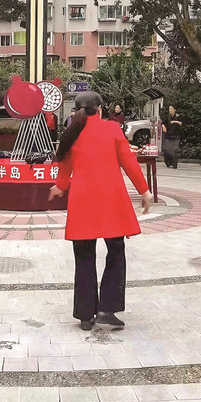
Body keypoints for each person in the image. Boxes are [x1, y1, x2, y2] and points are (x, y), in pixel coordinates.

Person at [50, 92, 150, 331]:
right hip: (111, 200)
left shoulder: (72, 133)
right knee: (116, 252)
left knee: (84, 257)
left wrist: (60, 186)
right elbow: (128, 161)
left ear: (76, 111)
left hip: (83, 201)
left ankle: (85, 315)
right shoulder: (112, 129)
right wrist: (144, 190)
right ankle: (107, 309)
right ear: (100, 109)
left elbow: (64, 166)